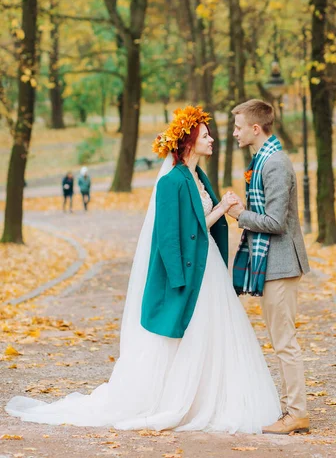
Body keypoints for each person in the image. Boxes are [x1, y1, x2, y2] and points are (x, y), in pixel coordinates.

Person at [6, 106, 281, 433]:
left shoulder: (198, 176)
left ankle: (210, 396)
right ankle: (177, 398)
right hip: (190, 273)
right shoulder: (172, 181)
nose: (212, 139)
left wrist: (221, 208)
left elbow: (197, 229)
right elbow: (170, 237)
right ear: (190, 141)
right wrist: (219, 211)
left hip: (208, 269)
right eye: (206, 135)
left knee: (212, 335)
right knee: (190, 335)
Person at [227, 99, 310, 435]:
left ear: (255, 129)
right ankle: (294, 410)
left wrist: (239, 215)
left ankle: (297, 414)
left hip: (280, 264)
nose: (234, 132)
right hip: (274, 263)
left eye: (238, 126)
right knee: (282, 338)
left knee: (284, 341)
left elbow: (275, 222)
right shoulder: (264, 160)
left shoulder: (274, 163)